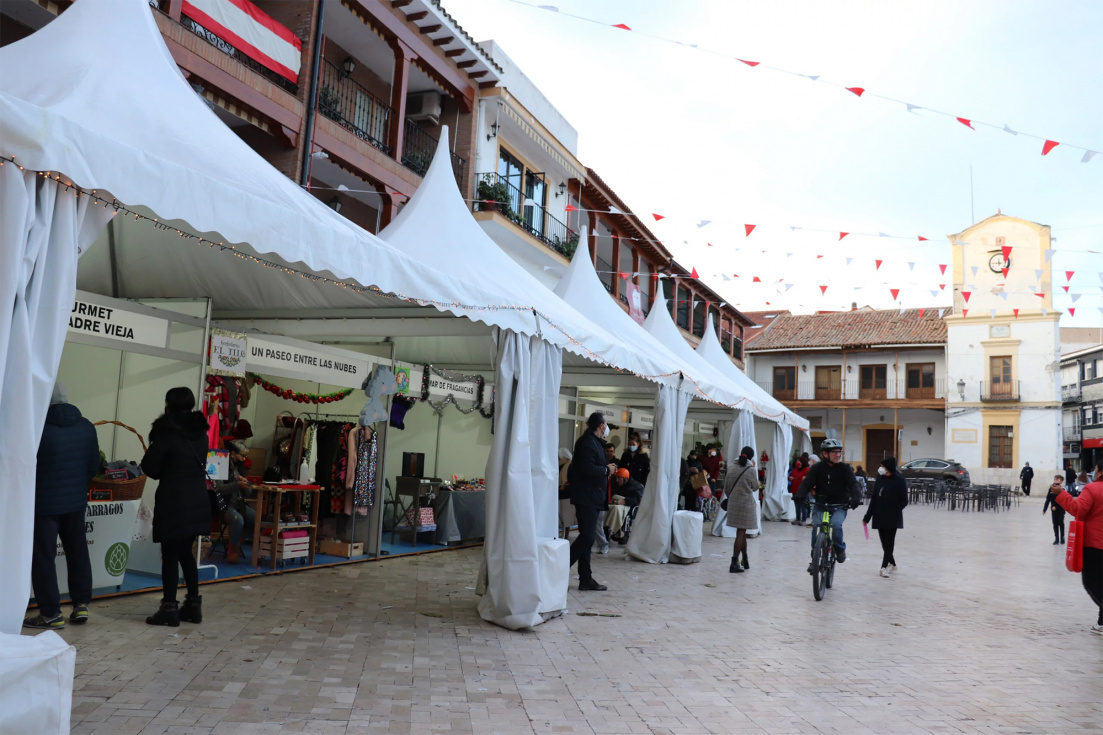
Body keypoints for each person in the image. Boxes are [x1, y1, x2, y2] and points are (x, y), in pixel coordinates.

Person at [23, 383, 101, 630]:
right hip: (76, 503)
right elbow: (93, 466)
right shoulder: (87, 427)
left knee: (44, 558)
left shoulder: (37, 430)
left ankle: (51, 613)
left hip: (43, 505)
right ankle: (81, 604)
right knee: (78, 551)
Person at [141, 387, 212, 626]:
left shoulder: (166, 434)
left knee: (170, 555)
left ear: (168, 405)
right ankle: (193, 605)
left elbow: (149, 466)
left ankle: (169, 608)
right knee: (186, 553)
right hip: (197, 499)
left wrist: (166, 472)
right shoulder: (201, 434)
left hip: (173, 500)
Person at [568, 412, 618, 591]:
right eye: (606, 424)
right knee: (587, 537)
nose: (607, 427)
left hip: (592, 496)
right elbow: (587, 468)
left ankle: (585, 578)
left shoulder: (595, 442)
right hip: (587, 497)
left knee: (587, 539)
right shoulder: (587, 443)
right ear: (601, 426)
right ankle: (560, 568)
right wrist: (606, 470)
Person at [1051, 463, 1103, 634]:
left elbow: (1078, 509)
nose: (1094, 472)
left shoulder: (1093, 489)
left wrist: (1062, 494)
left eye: (1095, 470)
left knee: (1092, 583)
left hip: (1095, 544)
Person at [797, 438, 861, 571]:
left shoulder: (845, 469)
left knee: (836, 525)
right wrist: (800, 495)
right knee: (816, 527)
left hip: (839, 505)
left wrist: (856, 497)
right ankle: (815, 557)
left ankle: (840, 549)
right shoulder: (816, 468)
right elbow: (807, 483)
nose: (838, 455)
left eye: (839, 452)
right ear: (825, 454)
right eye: (834, 452)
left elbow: (853, 484)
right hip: (821, 505)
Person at [862, 457, 909, 578]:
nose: (880, 468)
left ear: (889, 468)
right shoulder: (880, 479)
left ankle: (883, 567)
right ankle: (892, 564)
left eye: (883, 466)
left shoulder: (899, 481)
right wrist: (867, 517)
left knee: (889, 542)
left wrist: (895, 509)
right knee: (884, 543)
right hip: (879, 514)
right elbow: (874, 499)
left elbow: (904, 500)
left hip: (892, 516)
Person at [211, 439, 256, 563]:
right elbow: (219, 489)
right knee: (238, 519)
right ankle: (233, 550)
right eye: (242, 455)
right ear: (233, 454)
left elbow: (248, 493)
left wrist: (246, 484)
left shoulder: (240, 468)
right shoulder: (221, 466)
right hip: (225, 505)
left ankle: (240, 541)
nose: (244, 458)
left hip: (239, 503)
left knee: (255, 517)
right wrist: (237, 484)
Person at [724, 446, 759, 573]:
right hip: (746, 504)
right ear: (751, 457)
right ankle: (734, 562)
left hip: (733, 504)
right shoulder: (751, 469)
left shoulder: (732, 467)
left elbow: (726, 487)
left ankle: (745, 559)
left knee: (741, 531)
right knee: (741, 532)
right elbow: (755, 487)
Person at [606, 468, 644, 542]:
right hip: (615, 503)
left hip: (628, 506)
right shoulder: (615, 484)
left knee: (616, 509)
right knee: (606, 508)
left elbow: (639, 499)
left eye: (619, 478)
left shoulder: (636, 486)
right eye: (616, 477)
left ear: (625, 479)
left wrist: (625, 501)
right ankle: (606, 529)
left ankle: (615, 529)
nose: (617, 480)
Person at [1043, 476, 1067, 545]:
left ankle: (1062, 537)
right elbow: (1048, 499)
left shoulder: (1062, 489)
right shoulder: (1051, 489)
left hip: (1060, 509)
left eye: (1057, 479)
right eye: (1054, 479)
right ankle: (1056, 538)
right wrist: (1045, 509)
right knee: (1055, 524)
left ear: (1061, 481)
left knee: (1060, 522)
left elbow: (1063, 501)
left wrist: (1056, 507)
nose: (1055, 480)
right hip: (1053, 510)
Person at [788, 458, 810, 526]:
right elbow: (790, 476)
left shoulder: (807, 469)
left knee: (803, 505)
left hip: (803, 490)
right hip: (795, 490)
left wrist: (806, 478)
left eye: (799, 461)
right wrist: (790, 478)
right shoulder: (795, 470)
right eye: (797, 461)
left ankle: (804, 520)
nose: (798, 463)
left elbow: (810, 478)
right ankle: (798, 519)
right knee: (797, 505)